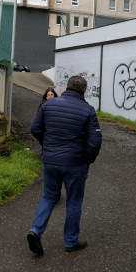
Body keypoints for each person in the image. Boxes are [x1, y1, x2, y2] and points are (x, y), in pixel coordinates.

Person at [27, 75, 101, 255]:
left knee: (49, 196)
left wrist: (48, 146)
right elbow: (95, 141)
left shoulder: (48, 105)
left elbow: (35, 129)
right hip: (75, 163)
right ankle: (71, 242)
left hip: (50, 161)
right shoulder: (88, 110)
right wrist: (87, 159)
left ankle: (36, 231)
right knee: (74, 201)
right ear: (84, 92)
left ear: (65, 89)